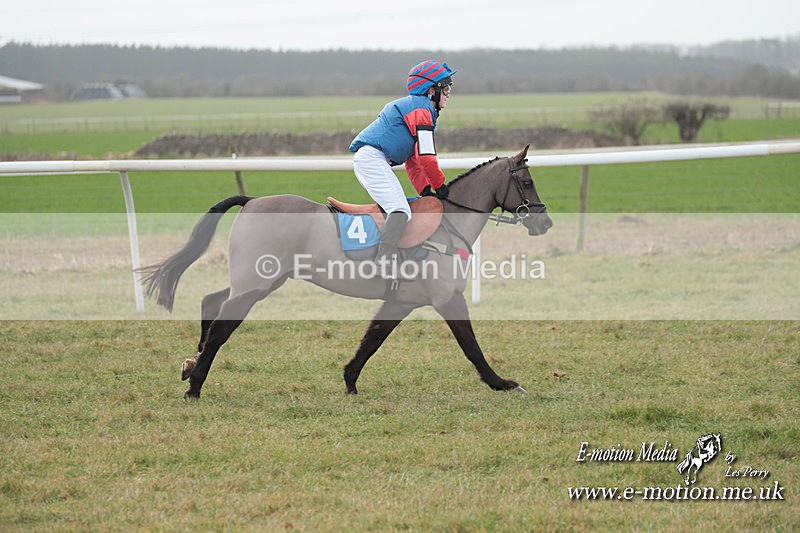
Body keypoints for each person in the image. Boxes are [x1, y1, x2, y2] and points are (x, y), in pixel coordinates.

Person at [349, 60, 455, 266]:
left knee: (403, 208)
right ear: (432, 90)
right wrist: (440, 186)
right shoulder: (421, 110)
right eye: (447, 88)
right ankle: (384, 259)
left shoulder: (420, 109)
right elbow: (427, 157)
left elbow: (414, 162)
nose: (449, 94)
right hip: (372, 159)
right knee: (400, 209)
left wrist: (425, 190)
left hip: (373, 158)